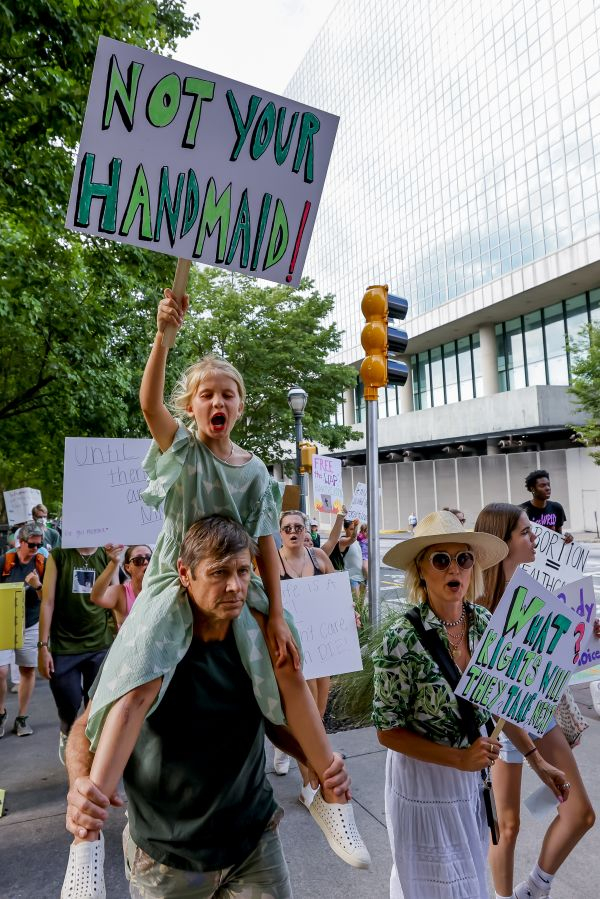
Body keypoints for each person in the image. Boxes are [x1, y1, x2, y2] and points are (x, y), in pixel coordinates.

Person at [73, 287, 368, 889]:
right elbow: (147, 401)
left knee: (290, 666)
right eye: (206, 393)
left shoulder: (256, 470)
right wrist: (164, 335)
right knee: (134, 686)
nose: (217, 400)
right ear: (192, 406)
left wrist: (277, 615)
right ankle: (85, 840)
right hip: (172, 584)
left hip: (238, 582)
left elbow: (262, 543)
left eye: (227, 393)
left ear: (239, 407)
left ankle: (327, 793)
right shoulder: (181, 451)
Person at [61, 516, 353, 899]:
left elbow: (273, 722)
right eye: (218, 572)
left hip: (253, 843)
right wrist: (81, 785)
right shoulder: (148, 646)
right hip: (165, 856)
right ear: (185, 573)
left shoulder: (255, 642)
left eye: (243, 571)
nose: (234, 585)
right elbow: (86, 728)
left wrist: (320, 765)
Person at [372, 510, 571, 899]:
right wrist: (458, 759)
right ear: (421, 570)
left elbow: (499, 699)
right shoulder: (401, 639)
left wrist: (537, 760)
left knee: (467, 877)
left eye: (463, 558)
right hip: (422, 779)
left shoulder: (482, 621)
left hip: (468, 783)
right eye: (441, 559)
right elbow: (386, 729)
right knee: (428, 885)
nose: (455, 569)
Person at [475, 502, 596, 899]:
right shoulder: (478, 609)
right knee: (506, 826)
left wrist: (590, 635)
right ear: (502, 543)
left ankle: (535, 888)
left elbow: (561, 654)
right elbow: (489, 694)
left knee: (579, 813)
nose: (535, 538)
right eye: (526, 532)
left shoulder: (537, 589)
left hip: (537, 714)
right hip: (502, 724)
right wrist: (532, 756)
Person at [273, 510, 337, 808]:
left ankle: (295, 755)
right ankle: (310, 783)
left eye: (298, 526)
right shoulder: (271, 562)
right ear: (280, 532)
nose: (294, 531)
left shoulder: (319, 558)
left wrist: (349, 615)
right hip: (293, 649)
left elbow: (337, 594)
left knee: (318, 715)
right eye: (287, 528)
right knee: (307, 717)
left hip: (321, 644)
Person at [37, 545, 114, 763]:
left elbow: (115, 598)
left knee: (96, 706)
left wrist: (114, 562)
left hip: (99, 644)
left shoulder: (105, 554)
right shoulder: (59, 555)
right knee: (69, 701)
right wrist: (43, 646)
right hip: (64, 646)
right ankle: (66, 731)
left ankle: (91, 753)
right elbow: (47, 602)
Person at [0, 522, 46, 738]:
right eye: (32, 544)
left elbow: (47, 599)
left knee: (27, 669)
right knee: (1, 671)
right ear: (21, 542)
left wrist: (37, 585)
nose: (36, 548)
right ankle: (1, 713)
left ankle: (22, 717)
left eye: (39, 544)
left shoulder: (42, 563)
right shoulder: (5, 561)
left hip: (30, 622)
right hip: (4, 621)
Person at [89, 544, 151, 628]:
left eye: (150, 558)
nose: (146, 562)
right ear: (128, 567)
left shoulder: (162, 589)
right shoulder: (122, 592)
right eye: (138, 560)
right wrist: (114, 562)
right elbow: (96, 597)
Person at [521, 470, 573, 543]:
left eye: (548, 484)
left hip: (551, 552)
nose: (548, 488)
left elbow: (559, 535)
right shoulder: (522, 511)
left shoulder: (557, 508)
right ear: (532, 489)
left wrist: (567, 538)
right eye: (542, 485)